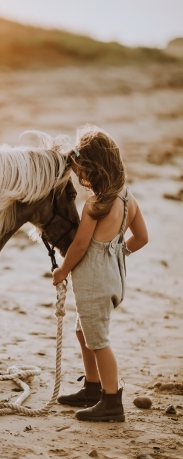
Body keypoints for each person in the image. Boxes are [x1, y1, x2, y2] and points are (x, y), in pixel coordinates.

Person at [52, 125, 148, 422]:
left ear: (94, 171)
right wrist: (117, 252)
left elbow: (80, 245)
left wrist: (62, 270)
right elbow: (142, 238)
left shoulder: (96, 204)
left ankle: (111, 401)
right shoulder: (127, 199)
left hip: (94, 283)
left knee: (98, 341)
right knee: (85, 331)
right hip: (113, 279)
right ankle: (92, 386)